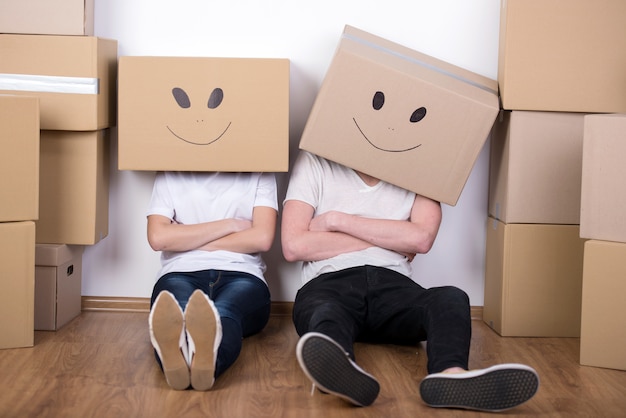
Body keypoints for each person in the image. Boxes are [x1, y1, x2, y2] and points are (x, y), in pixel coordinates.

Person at [281, 150, 539, 411]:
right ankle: (336, 369)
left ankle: (451, 376)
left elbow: (422, 239)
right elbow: (293, 245)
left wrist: (336, 221)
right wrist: (391, 237)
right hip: (329, 282)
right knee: (326, 311)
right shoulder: (315, 160)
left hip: (393, 286)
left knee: (451, 297)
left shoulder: (420, 166)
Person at [146, 171, 277, 390]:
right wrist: (232, 224)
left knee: (225, 313)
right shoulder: (170, 170)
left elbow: (262, 239)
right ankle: (183, 362)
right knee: (176, 315)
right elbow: (158, 238)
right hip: (180, 272)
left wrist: (185, 238)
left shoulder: (261, 167)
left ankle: (203, 363)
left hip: (242, 273)